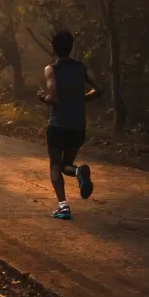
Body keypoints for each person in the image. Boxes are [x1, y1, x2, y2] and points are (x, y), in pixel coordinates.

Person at [37, 31, 102, 220]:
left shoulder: (51, 69)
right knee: (67, 164)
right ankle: (78, 171)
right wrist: (83, 99)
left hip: (58, 125)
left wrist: (42, 97)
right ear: (71, 47)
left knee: (55, 165)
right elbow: (100, 89)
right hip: (78, 126)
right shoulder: (82, 68)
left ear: (53, 47)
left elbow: (54, 98)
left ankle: (63, 207)